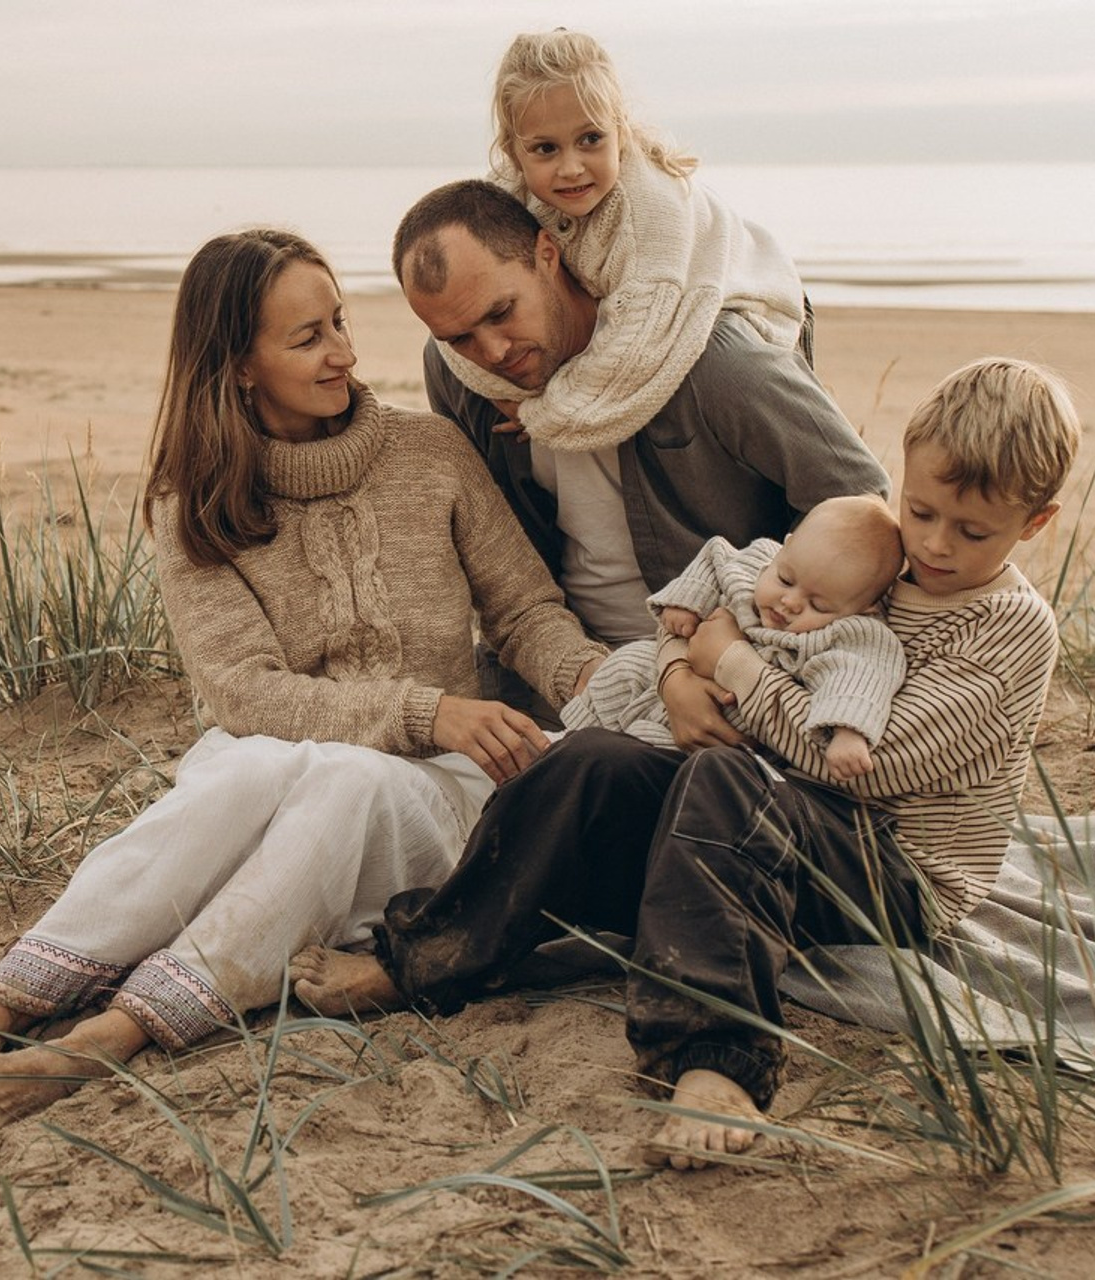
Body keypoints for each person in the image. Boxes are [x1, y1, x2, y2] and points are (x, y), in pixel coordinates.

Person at [0, 230, 606, 1137]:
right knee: (251, 765)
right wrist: (425, 708)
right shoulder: (191, 498)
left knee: (346, 778)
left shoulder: (430, 452)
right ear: (238, 366)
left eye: (339, 323)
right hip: (279, 775)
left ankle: (112, 1033)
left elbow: (526, 613)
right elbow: (243, 693)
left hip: (429, 791)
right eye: (307, 338)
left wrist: (601, 683)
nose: (343, 353)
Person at [292, 357, 1080, 1171]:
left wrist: (730, 662)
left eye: (973, 532)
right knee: (593, 759)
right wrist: (679, 666)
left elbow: (870, 765)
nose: (937, 543)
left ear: (1035, 523)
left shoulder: (1006, 628)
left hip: (889, 874)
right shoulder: (878, 557)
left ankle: (715, 1058)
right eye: (921, 510)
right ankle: (427, 958)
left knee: (725, 779)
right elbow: (727, 604)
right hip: (755, 812)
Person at [393, 179, 890, 738]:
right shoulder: (462, 377)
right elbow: (497, 564)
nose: (493, 352)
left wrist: (741, 641)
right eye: (459, 338)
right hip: (552, 680)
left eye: (502, 312)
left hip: (718, 681)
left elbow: (856, 502)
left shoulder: (712, 362)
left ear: (547, 255)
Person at [439, 28, 806, 448]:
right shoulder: (507, 194)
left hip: (753, 305)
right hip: (656, 307)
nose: (571, 168)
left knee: (702, 374)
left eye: (591, 139)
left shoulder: (652, 215)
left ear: (620, 131)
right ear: (513, 154)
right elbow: (454, 302)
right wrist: (503, 389)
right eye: (545, 149)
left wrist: (540, 415)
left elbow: (633, 353)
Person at [564, 493, 906, 782]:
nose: (789, 602)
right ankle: (569, 738)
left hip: (724, 727)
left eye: (818, 605)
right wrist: (687, 602)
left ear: (864, 609)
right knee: (626, 662)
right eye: (786, 580)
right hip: (667, 681)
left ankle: (590, 762)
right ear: (785, 549)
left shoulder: (851, 634)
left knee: (643, 747)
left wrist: (849, 732)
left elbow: (860, 676)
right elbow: (715, 557)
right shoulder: (758, 561)